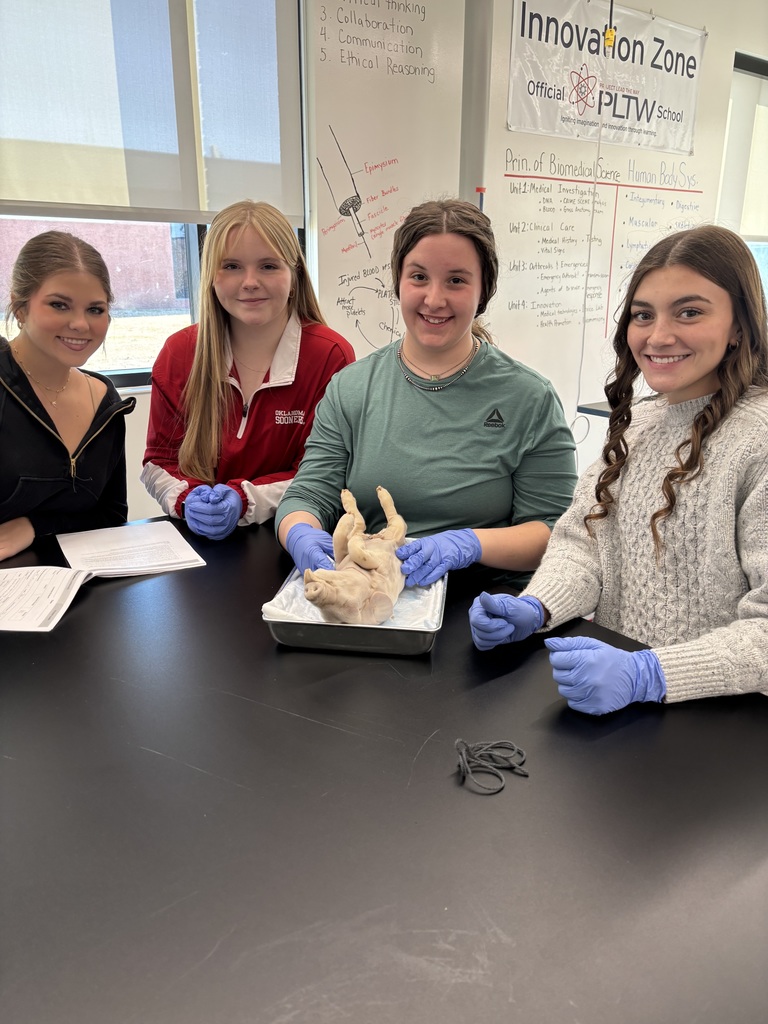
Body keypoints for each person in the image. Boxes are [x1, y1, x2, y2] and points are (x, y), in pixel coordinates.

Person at [469, 225, 768, 714]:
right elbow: (584, 547)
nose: (658, 335)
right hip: (617, 714)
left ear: (740, 325)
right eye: (643, 315)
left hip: (721, 730)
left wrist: (653, 673)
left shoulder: (759, 440)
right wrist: (538, 605)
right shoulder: (638, 425)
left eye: (689, 312)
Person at [276, 199, 577, 591]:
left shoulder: (529, 398)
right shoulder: (351, 388)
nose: (434, 299)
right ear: (398, 281)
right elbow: (309, 493)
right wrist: (301, 533)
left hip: (485, 605)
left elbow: (553, 529)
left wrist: (470, 543)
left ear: (483, 289)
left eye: (456, 280)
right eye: (419, 277)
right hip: (369, 593)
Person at [141, 200, 355, 540]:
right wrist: (185, 499)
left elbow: (324, 474)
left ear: (294, 273)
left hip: (291, 538)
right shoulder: (180, 352)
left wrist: (245, 499)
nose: (250, 282)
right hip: (197, 543)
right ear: (211, 275)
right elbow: (159, 462)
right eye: (232, 266)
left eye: (269, 266)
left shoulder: (330, 355)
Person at [0, 230, 135, 562]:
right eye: (59, 305)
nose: (80, 324)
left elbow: (111, 516)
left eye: (95, 309)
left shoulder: (105, 398)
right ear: (20, 306)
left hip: (81, 591)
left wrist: (32, 526)